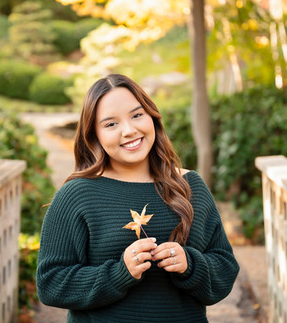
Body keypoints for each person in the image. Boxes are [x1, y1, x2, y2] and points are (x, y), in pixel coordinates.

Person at [36, 74, 239, 323]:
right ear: (94, 135)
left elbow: (225, 268)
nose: (129, 130)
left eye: (137, 115)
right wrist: (119, 273)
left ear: (152, 116)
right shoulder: (77, 195)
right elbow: (51, 283)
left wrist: (190, 264)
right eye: (111, 124)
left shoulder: (190, 186)